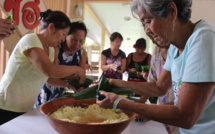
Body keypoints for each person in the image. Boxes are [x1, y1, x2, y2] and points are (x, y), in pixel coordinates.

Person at [97, 0, 215, 134]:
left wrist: (121, 103)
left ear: (171, 12)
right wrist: (119, 84)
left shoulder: (203, 39)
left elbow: (186, 116)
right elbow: (159, 87)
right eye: (143, 24)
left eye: (147, 21)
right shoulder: (174, 48)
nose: (146, 30)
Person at [0, 9, 85, 125]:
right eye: (64, 34)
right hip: (7, 105)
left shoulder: (52, 49)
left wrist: (69, 84)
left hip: (26, 107)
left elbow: (48, 78)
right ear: (51, 28)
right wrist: (78, 69)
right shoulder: (30, 40)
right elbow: (50, 70)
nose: (63, 39)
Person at [35, 21, 88, 106]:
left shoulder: (82, 53)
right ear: (66, 36)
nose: (77, 44)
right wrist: (70, 81)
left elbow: (80, 77)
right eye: (74, 39)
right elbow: (50, 76)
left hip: (63, 93)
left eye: (81, 41)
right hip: (48, 90)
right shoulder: (55, 48)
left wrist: (80, 86)